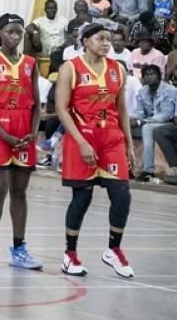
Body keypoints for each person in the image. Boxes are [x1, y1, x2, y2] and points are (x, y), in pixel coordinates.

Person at [54, 21, 136, 278]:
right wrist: (80, 141)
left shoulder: (118, 70)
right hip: (82, 137)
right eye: (101, 38)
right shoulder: (71, 68)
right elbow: (61, 110)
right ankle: (70, 254)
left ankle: (114, 249)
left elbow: (122, 111)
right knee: (82, 197)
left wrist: (130, 146)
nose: (106, 43)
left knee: (122, 194)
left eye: (108, 39)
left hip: (111, 139)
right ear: (86, 41)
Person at [0, 15, 43, 271]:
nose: (15, 36)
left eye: (19, 31)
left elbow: (37, 103)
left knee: (20, 191)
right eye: (10, 31)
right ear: (0, 32)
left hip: (24, 127)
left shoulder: (30, 63)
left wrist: (34, 132)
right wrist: (3, 134)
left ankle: (19, 249)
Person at [128, 64, 176, 181]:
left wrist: (141, 122)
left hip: (167, 124)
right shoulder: (143, 91)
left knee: (147, 128)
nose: (150, 77)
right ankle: (127, 167)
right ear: (143, 78)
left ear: (159, 76)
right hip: (148, 122)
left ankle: (148, 170)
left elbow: (166, 115)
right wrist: (128, 118)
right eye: (147, 75)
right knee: (124, 124)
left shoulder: (170, 90)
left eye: (153, 74)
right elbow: (139, 112)